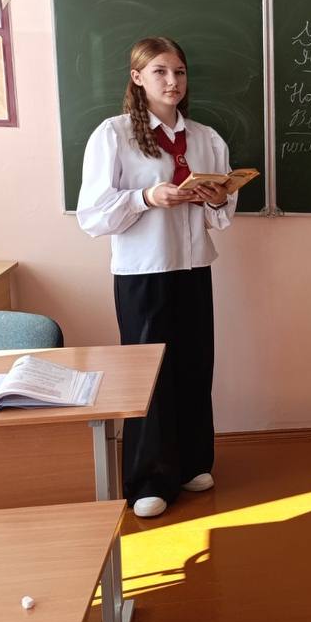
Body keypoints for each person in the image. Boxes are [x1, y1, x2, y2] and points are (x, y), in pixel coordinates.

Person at [77, 36, 235, 519]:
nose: (172, 81)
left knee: (194, 366)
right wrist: (147, 198)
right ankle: (149, 477)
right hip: (144, 271)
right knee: (150, 376)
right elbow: (92, 214)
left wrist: (216, 197)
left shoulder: (206, 137)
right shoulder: (114, 134)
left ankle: (192, 463)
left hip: (193, 266)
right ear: (137, 77)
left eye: (179, 72)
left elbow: (222, 214)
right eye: (160, 71)